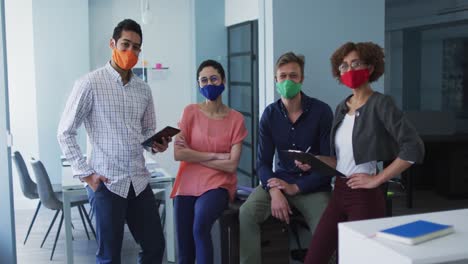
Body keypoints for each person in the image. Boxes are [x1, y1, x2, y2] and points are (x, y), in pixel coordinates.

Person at [57, 19, 168, 264]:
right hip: (107, 183)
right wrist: (87, 175)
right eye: (125, 44)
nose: (131, 52)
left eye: (136, 47)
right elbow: (65, 132)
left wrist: (155, 143)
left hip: (138, 182)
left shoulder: (143, 89)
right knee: (109, 257)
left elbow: (147, 131)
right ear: (113, 44)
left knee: (155, 247)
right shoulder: (89, 84)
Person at [304, 42, 425, 263]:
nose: (349, 70)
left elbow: (413, 147)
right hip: (339, 191)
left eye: (355, 63)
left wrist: (377, 179)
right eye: (343, 66)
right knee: (314, 258)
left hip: (365, 197)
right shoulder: (342, 106)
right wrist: (315, 161)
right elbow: (342, 160)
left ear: (369, 67)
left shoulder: (381, 104)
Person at [239, 52, 333, 264]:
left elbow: (329, 163)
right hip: (280, 181)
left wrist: (297, 188)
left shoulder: (322, 111)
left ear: (302, 79)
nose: (288, 81)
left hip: (313, 187)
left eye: (293, 76)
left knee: (327, 230)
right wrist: (274, 190)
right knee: (246, 213)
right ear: (276, 80)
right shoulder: (269, 115)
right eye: (283, 76)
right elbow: (262, 163)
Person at [171, 59, 248, 264]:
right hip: (186, 183)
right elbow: (178, 154)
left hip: (218, 184)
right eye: (203, 80)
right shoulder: (189, 112)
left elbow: (232, 165)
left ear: (223, 81)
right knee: (184, 249)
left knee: (200, 225)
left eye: (213, 79)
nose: (208, 84)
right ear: (198, 85)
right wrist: (214, 155)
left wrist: (194, 155)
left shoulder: (236, 119)